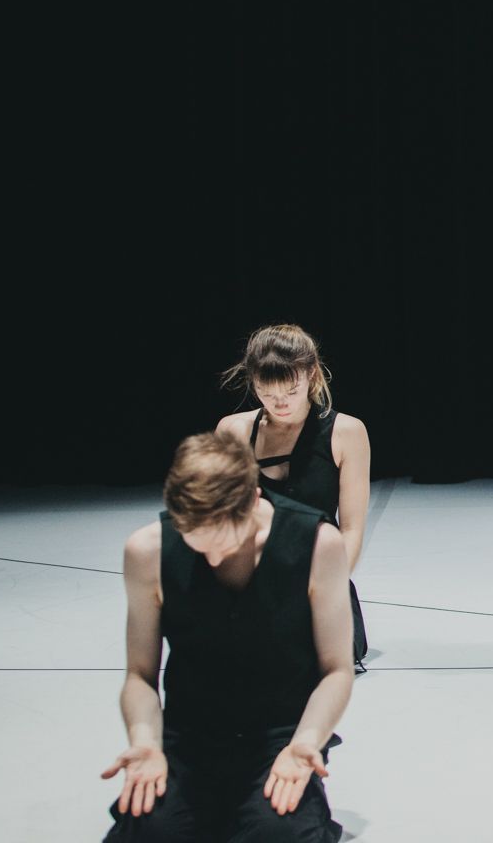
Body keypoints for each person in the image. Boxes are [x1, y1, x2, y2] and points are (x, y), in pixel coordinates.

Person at [101, 432, 353, 842]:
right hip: (190, 737)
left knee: (278, 834)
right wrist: (145, 740)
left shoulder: (317, 543)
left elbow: (337, 670)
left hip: (280, 735)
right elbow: (140, 675)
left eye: (225, 543)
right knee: (152, 833)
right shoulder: (146, 550)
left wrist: (306, 742)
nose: (214, 559)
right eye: (198, 546)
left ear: (253, 499)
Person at [217, 324, 372, 670]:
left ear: (311, 374)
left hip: (320, 580)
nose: (280, 403)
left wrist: (323, 591)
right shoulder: (233, 430)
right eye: (266, 392)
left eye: (291, 390)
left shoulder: (346, 432)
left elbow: (351, 531)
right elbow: (223, 522)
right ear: (253, 382)